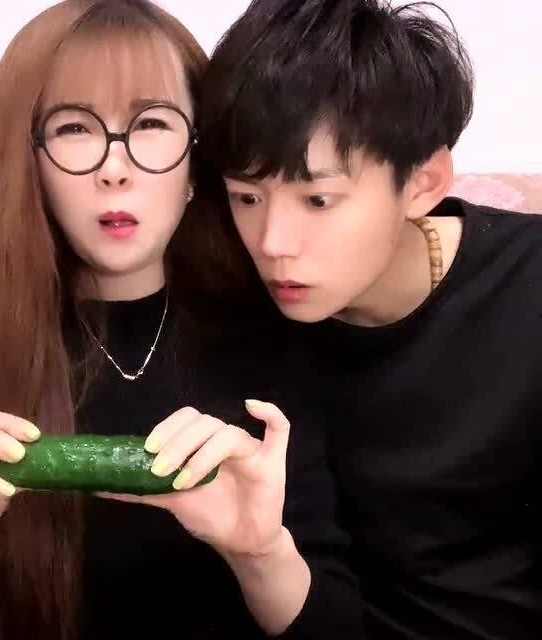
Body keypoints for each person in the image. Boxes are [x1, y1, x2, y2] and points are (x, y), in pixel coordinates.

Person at [0, 1, 365, 639]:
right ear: (28, 159)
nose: (114, 169)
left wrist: (262, 554)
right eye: (73, 128)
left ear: (198, 154)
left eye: (150, 123)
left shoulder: (284, 346)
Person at [198, 0, 542, 638]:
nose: (272, 242)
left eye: (317, 200)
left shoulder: (527, 289)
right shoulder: (237, 325)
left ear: (423, 183)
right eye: (246, 196)